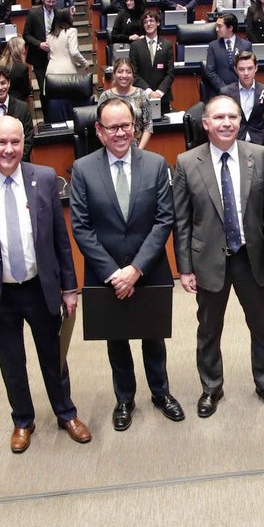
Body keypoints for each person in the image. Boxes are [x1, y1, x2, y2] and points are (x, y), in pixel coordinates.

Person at [0, 115, 89, 452]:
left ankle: (66, 412)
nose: (9, 149)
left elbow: (61, 239)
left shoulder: (44, 178)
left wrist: (69, 288)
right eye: (2, 142)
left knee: (53, 356)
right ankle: (22, 421)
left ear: (23, 143)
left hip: (40, 286)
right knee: (12, 362)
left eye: (15, 142)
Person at [70, 98, 182, 431]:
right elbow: (81, 226)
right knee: (116, 339)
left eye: (126, 126)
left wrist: (136, 269)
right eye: (112, 127)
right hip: (106, 274)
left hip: (147, 268)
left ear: (134, 127)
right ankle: (125, 399)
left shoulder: (156, 164)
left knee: (153, 336)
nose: (120, 133)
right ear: (99, 132)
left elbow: (164, 220)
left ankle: (161, 393)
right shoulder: (83, 169)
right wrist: (113, 273)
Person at [172, 95, 264, 417]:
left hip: (251, 258)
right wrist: (184, 268)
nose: (227, 123)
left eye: (233, 117)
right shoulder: (186, 162)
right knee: (209, 330)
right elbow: (181, 221)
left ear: (240, 121)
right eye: (219, 117)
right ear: (206, 124)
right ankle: (211, 388)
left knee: (262, 326)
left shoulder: (260, 155)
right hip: (208, 259)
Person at [40, 9, 92, 124]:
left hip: (51, 71)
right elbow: (74, 52)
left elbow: (49, 55)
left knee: (55, 105)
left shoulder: (50, 35)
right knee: (68, 103)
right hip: (66, 71)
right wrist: (84, 63)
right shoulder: (71, 31)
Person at [96, 59, 155, 151]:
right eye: (120, 72)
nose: (124, 75)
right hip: (112, 149)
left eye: (128, 72)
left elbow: (148, 126)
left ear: (133, 75)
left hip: (138, 149)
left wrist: (139, 151)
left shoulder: (142, 95)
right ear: (114, 74)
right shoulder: (106, 96)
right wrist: (111, 150)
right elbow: (100, 128)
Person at [223, 53, 264, 148]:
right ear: (236, 70)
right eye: (241, 69)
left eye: (250, 68)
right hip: (234, 143)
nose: (246, 73)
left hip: (259, 144)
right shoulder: (226, 92)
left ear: (256, 68)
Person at [128, 10, 175, 111]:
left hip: (163, 97)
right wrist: (149, 92)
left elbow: (170, 73)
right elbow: (133, 73)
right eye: (145, 22)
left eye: (151, 20)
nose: (148, 24)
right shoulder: (135, 46)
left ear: (158, 23)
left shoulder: (167, 45)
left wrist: (159, 92)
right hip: (142, 97)